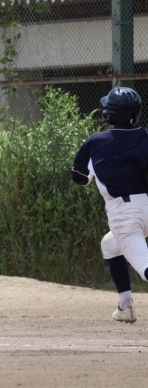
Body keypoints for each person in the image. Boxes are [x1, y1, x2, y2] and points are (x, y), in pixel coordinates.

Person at [71, 86, 148, 324]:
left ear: (108, 114)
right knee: (109, 245)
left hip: (125, 215)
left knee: (146, 268)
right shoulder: (145, 135)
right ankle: (125, 306)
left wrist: (94, 174)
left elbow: (79, 177)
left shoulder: (97, 141)